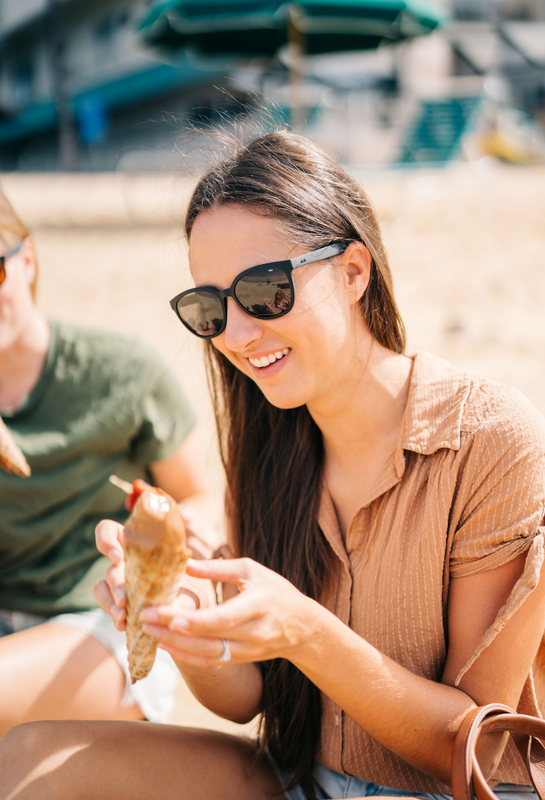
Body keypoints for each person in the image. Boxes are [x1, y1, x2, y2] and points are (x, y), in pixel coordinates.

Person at [1, 130, 545, 800]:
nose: (234, 334)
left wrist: (306, 632)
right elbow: (246, 698)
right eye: (208, 308)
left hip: (446, 791)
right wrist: (178, 618)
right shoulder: (269, 444)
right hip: (299, 779)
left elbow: (476, 749)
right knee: (27, 759)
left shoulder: (490, 438)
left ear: (353, 271)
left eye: (263, 291)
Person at [0, 186, 214, 737]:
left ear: (27, 259)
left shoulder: (121, 374)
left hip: (98, 622)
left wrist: (151, 563)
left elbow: (199, 496)